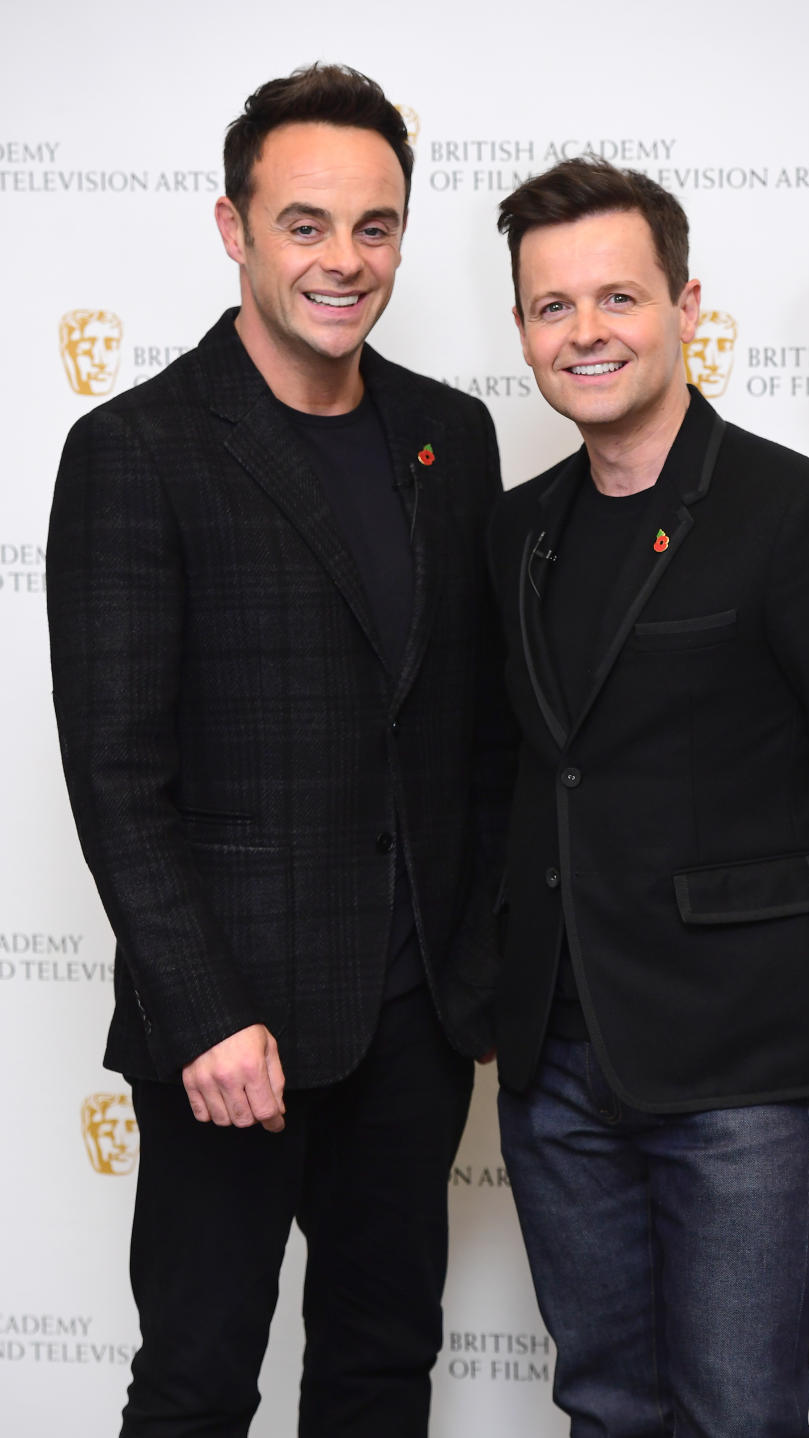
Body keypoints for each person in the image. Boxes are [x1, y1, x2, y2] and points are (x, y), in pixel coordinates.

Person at [47, 63, 511, 1438]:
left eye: (373, 226)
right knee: (196, 1382)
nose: (343, 259)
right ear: (233, 229)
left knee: (381, 1369)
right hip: (228, 1033)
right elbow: (117, 771)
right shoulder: (136, 450)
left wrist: (470, 970)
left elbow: (477, 728)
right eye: (305, 223)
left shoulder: (452, 435)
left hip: (414, 1018)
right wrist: (201, 1009)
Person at [487, 157, 809, 1437]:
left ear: (686, 304)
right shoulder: (512, 532)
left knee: (741, 1414)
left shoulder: (806, 520)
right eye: (552, 306)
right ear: (522, 328)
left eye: (618, 297)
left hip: (744, 1064)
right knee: (603, 1407)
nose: (588, 332)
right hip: (557, 1067)